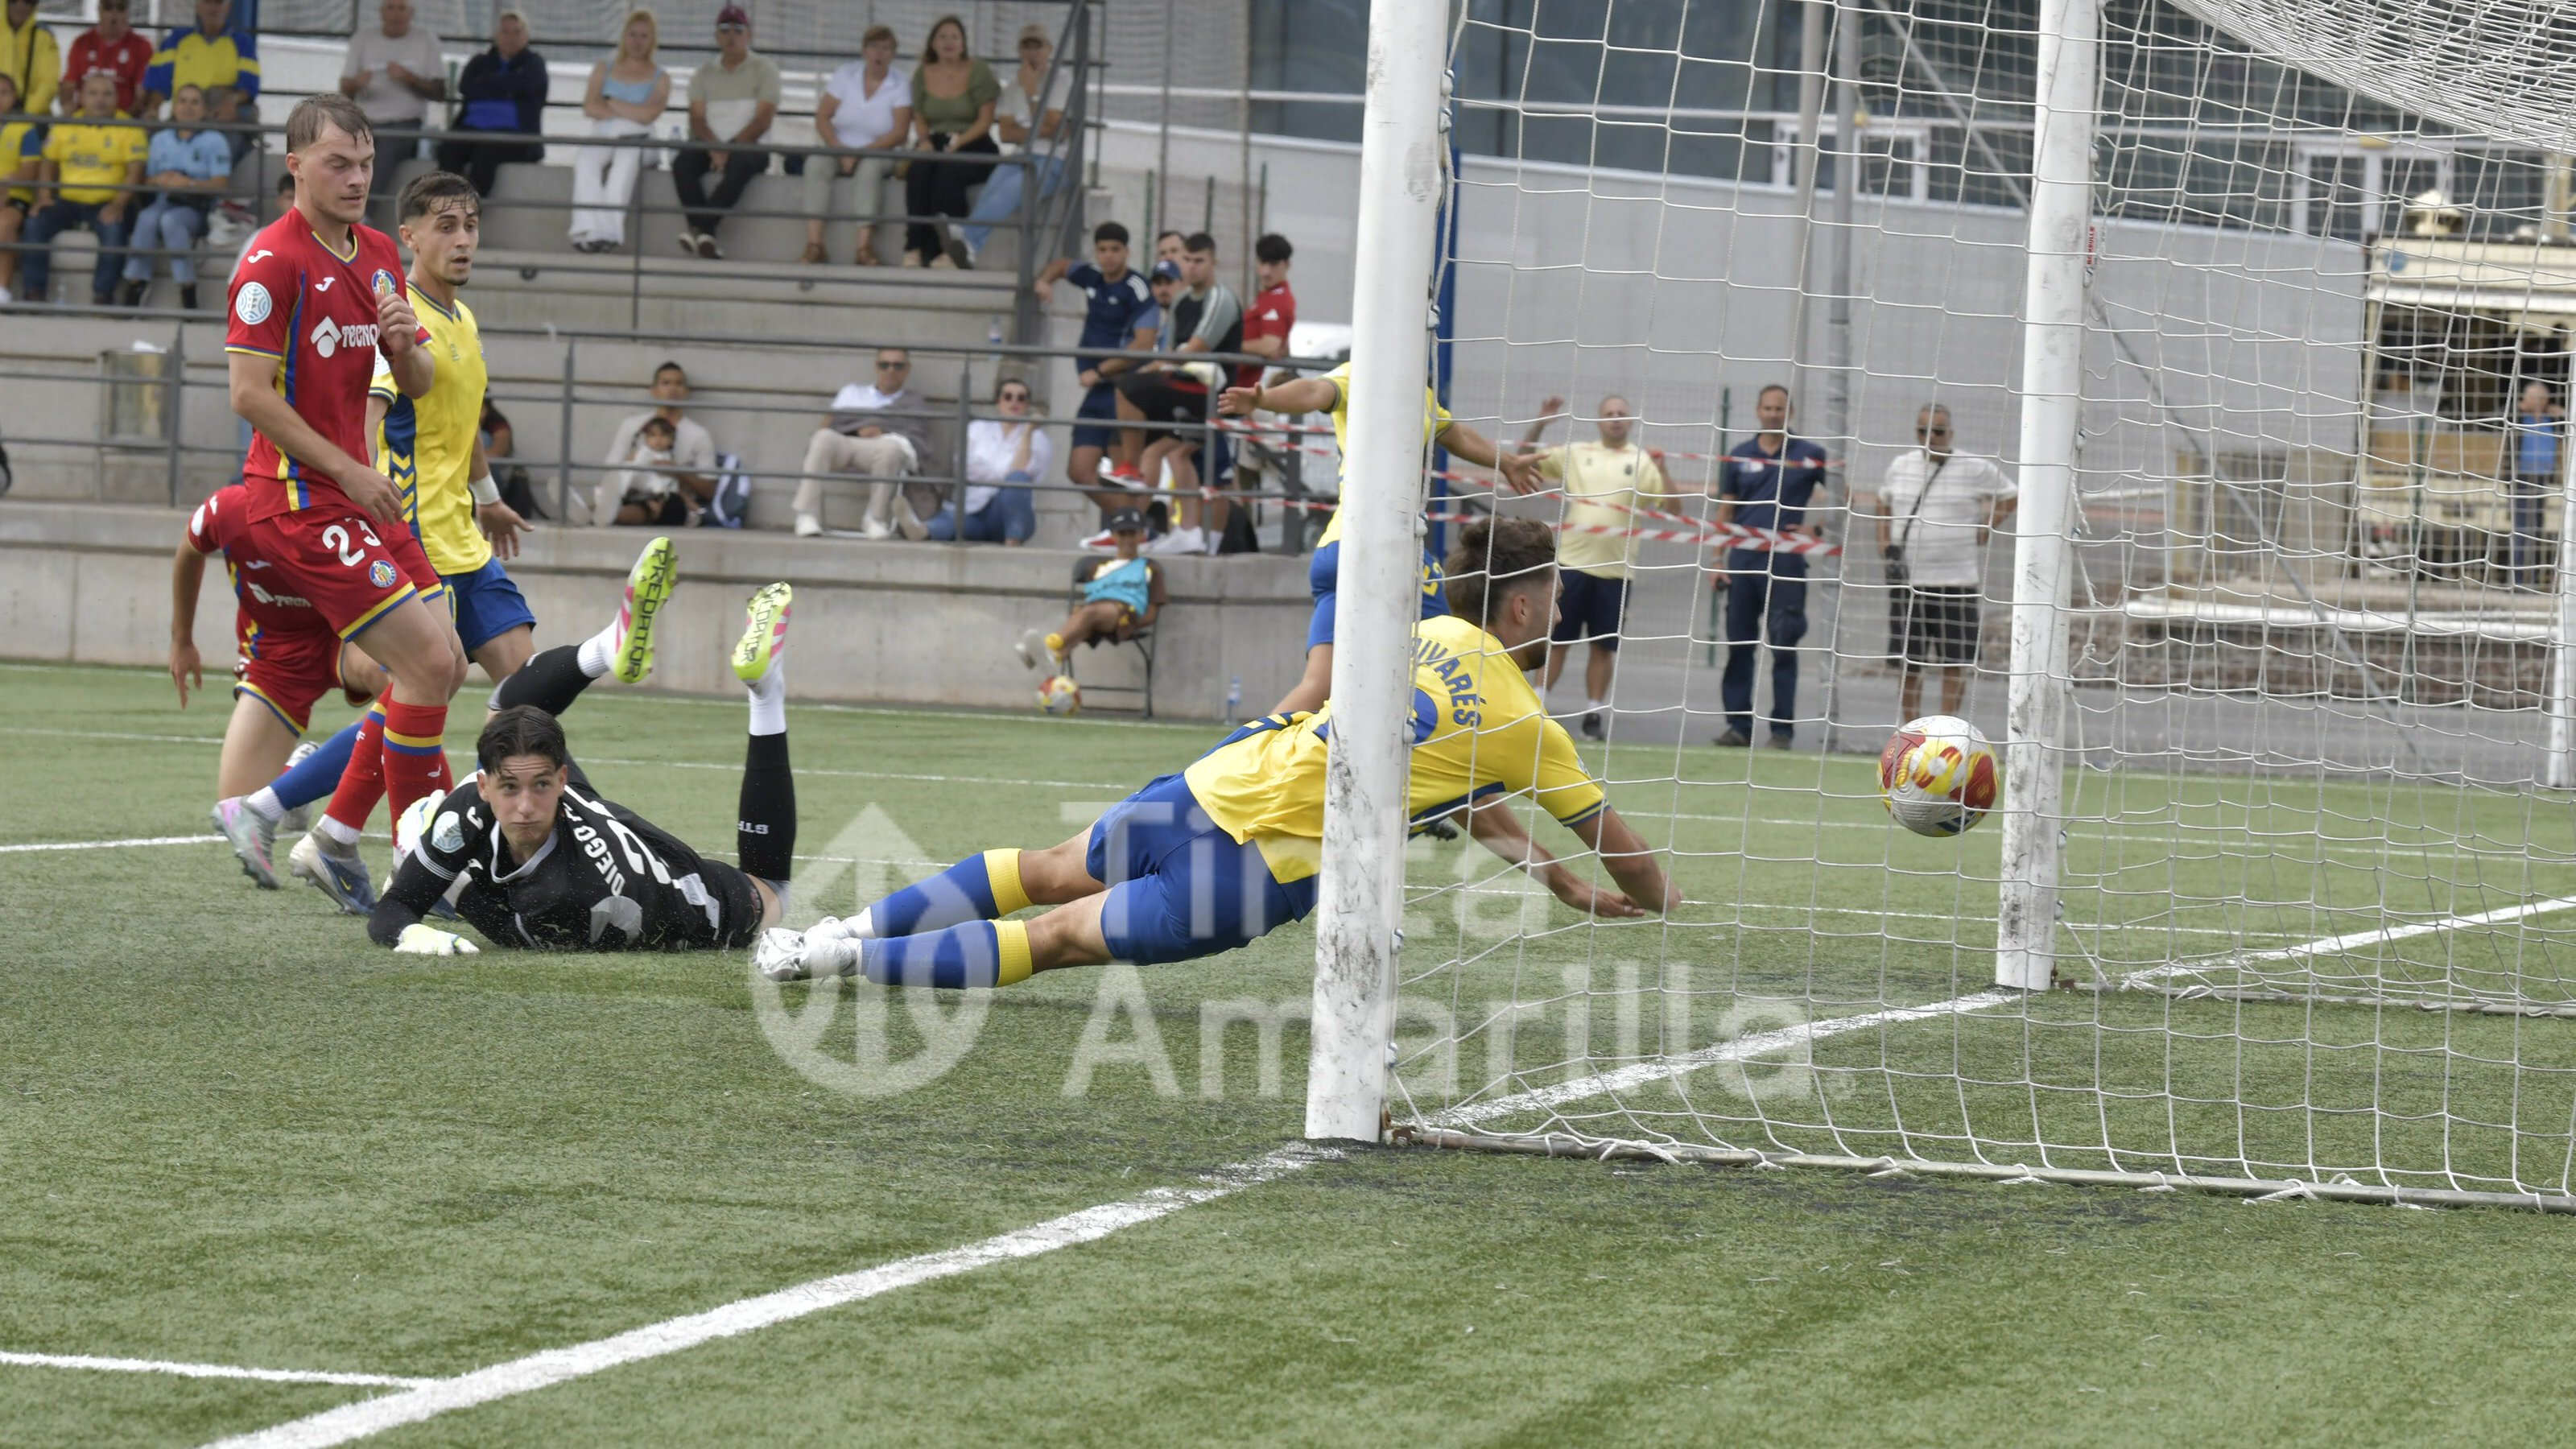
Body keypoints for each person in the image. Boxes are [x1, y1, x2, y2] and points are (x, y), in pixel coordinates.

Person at [760, 517, 1674, 986]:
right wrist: (1659, 899)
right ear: (1520, 605)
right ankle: (840, 965)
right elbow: (1624, 855)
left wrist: (1550, 880)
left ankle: (842, 933)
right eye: (1554, 589)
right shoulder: (1528, 728)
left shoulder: (1424, 632)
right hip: (1260, 866)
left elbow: (1451, 784)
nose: (1560, 605)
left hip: (1220, 780)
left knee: (1041, 871)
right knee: (1053, 941)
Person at [216, 94, 461, 903]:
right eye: (337, 164)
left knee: (445, 665)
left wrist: (401, 342)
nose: (357, 178)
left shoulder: (382, 252)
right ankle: (414, 877)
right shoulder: (270, 262)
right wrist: (350, 472)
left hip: (362, 497)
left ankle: (313, 828)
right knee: (425, 665)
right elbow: (249, 396)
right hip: (299, 502)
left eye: (365, 164)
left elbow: (418, 381)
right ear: (294, 166)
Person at [368, 581, 799, 956]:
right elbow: (393, 911)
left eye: (540, 785)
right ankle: (609, 647)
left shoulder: (564, 894)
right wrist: (410, 927)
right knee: (505, 714)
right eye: (509, 787)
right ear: (482, 785)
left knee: (770, 888)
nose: (525, 806)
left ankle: (765, 692)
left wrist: (443, 875)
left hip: (736, 909)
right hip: (615, 842)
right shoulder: (473, 809)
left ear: (560, 781)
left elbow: (507, 935)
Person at [1219, 364, 1539, 716]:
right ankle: (1501, 732)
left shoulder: (1422, 395)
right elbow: (1313, 391)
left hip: (1339, 547)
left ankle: (1233, 762)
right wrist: (1266, 398)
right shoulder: (1365, 370)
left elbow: (1456, 434)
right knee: (1467, 649)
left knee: (1320, 686)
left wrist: (1508, 461)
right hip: (1383, 551)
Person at [1518, 394, 1674, 743]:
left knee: (1604, 647)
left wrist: (1664, 470)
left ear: (1631, 420)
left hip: (1616, 571)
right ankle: (1536, 711)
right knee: (1555, 641)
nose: (1616, 418)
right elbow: (1523, 457)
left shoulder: (1643, 461)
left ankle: (1593, 714)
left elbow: (1673, 508)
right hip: (1572, 565)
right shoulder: (1578, 453)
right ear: (1599, 420)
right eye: (1609, 413)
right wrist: (1541, 422)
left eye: (1622, 413)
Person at [1862, 402, 2015, 720]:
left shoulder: (1973, 467)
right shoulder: (1901, 465)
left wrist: (1986, 526)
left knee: (1955, 661)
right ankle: (1912, 729)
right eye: (1923, 431)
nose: (1931, 437)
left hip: (1957, 582)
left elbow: (2011, 493)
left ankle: (1947, 728)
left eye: (1938, 431)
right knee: (1908, 661)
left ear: (1951, 433)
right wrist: (1884, 540)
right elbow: (1882, 500)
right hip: (1909, 582)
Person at [1713, 383, 1828, 747]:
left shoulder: (1810, 454)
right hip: (1743, 564)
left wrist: (1817, 526)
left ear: (1789, 412)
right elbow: (1726, 510)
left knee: (1783, 647)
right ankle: (1738, 726)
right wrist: (1717, 560)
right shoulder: (1739, 455)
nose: (1774, 414)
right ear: (1758, 411)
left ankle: (1782, 730)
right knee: (1740, 647)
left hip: (1786, 566)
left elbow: (1841, 498)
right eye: (1768, 408)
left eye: (1780, 409)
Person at [1119, 233, 1244, 555]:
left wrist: (1155, 369)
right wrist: (1153, 368)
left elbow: (1197, 349)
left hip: (1215, 395)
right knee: (1174, 453)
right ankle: (1187, 530)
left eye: (1198, 261)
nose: (1191, 267)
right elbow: (1173, 351)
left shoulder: (1221, 298)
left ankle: (1212, 543)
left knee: (1218, 475)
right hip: (1184, 388)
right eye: (1186, 260)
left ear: (1213, 262)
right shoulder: (1180, 301)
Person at [1034, 222, 1161, 516]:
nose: (1108, 256)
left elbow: (1144, 344)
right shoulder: (1092, 277)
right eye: (1102, 250)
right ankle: (1130, 524)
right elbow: (1062, 265)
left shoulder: (1138, 288)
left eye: (1115, 250)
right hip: (1096, 391)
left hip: (1123, 390)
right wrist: (1044, 281)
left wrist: (1101, 371)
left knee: (1124, 475)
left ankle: (1131, 529)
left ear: (1127, 252)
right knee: (1079, 470)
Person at [23, 72, 146, 306]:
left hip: (108, 201)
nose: (100, 100)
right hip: (68, 201)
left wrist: (118, 204)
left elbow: (135, 172)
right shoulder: (66, 124)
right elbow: (48, 162)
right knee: (35, 222)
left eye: (107, 94)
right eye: (93, 93)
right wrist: (45, 197)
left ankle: (103, 295)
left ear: (117, 98)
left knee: (114, 227)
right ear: (82, 97)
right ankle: (33, 294)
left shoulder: (130, 127)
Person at [952, 21, 1068, 269]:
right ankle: (970, 247)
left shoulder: (1061, 80)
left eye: (1037, 46)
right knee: (992, 189)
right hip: (1022, 155)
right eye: (1026, 46)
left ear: (1049, 49)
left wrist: (1031, 92)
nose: (1032, 53)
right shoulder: (1014, 85)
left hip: (1054, 160)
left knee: (1011, 191)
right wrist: (1041, 129)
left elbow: (1058, 131)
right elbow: (1006, 133)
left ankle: (968, 239)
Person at [793, 347, 933, 539]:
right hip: (846, 442)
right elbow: (829, 424)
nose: (890, 370)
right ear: (876, 367)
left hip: (880, 447)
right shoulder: (851, 393)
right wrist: (859, 429)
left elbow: (915, 435)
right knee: (822, 438)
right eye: (884, 365)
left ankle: (875, 518)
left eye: (897, 366)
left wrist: (882, 430)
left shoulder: (913, 402)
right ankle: (807, 515)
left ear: (907, 370)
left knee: (891, 449)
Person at [673, 5, 778, 261]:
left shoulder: (765, 69)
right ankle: (707, 236)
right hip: (710, 144)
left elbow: (763, 119)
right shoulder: (703, 73)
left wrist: (730, 148)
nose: (732, 35)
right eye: (725, 30)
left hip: (752, 147)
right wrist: (714, 148)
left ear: (749, 35)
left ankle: (700, 228)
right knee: (682, 163)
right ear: (716, 36)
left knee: (740, 164)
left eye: (738, 29)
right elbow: (697, 119)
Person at [799, 23, 906, 267]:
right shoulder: (845, 75)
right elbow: (822, 116)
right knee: (816, 164)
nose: (879, 53)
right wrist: (839, 148)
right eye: (873, 47)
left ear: (893, 53)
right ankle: (815, 245)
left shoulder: (900, 83)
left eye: (886, 48)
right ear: (863, 51)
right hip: (840, 146)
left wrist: (860, 154)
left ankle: (863, 247)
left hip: (880, 150)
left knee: (869, 171)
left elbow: (900, 132)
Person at [116, 83, 229, 308]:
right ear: (174, 107)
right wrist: (160, 180)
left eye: (195, 102)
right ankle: (137, 282)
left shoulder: (215, 140)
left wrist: (187, 182)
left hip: (196, 205)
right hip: (162, 200)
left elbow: (221, 183)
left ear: (205, 109)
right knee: (147, 218)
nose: (188, 107)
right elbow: (147, 180)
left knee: (170, 221)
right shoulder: (161, 139)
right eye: (183, 101)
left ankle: (187, 286)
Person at [1017, 506, 1163, 678]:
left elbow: (1153, 613)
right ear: (1114, 536)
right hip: (1095, 612)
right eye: (1123, 533)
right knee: (1084, 621)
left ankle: (1047, 645)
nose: (1128, 539)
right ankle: (1055, 657)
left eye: (1132, 533)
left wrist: (1131, 621)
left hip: (1124, 614)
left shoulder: (1150, 568)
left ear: (1141, 535)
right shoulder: (1097, 568)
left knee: (1089, 613)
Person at [567, 9, 668, 253]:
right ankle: (586, 230)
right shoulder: (605, 67)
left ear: (652, 40)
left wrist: (611, 100)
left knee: (625, 163)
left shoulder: (661, 77)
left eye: (644, 36)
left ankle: (609, 233)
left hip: (640, 139)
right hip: (605, 133)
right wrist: (631, 111)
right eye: (633, 34)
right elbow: (590, 106)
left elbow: (648, 116)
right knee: (585, 162)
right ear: (624, 36)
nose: (637, 41)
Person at [903, 14, 997, 269]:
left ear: (963, 43)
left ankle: (947, 250)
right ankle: (914, 246)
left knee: (948, 172)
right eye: (942, 37)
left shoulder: (979, 71)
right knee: (920, 170)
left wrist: (960, 141)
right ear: (933, 43)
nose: (948, 42)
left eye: (954, 37)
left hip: (974, 141)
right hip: (937, 139)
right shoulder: (923, 73)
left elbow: (985, 120)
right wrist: (924, 140)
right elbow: (920, 115)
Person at [434, 10, 545, 197]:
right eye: (505, 31)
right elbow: (467, 87)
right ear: (496, 36)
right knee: (448, 150)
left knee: (486, 155)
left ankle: (470, 209)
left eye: (516, 32)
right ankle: (446, 203)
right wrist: (509, 88)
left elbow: (528, 84)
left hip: (515, 135)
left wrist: (488, 82)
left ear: (526, 36)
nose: (510, 37)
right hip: (471, 128)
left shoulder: (534, 64)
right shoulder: (479, 61)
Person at [339, 0, 444, 192]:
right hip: (363, 121)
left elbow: (439, 92)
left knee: (382, 153)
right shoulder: (363, 38)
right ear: (381, 12)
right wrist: (356, 83)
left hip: (406, 122)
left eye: (402, 8)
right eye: (391, 8)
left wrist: (410, 79)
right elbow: (345, 90)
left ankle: (362, 214)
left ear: (411, 13)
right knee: (340, 153)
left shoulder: (426, 40)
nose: (396, 14)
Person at [931, 375, 1048, 544]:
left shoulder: (1037, 438)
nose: (1014, 402)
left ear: (1027, 405)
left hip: (1005, 516)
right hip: (972, 509)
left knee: (1017, 480)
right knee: (949, 523)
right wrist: (1005, 478)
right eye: (1008, 397)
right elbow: (966, 468)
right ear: (998, 402)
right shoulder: (977, 429)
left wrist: (1027, 433)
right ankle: (922, 529)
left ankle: (1012, 544)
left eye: (1021, 398)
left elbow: (1024, 476)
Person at [599, 361, 717, 524]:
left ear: (686, 392)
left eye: (679, 384)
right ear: (654, 391)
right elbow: (611, 468)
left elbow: (709, 490)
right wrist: (631, 463)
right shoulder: (632, 426)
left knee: (663, 506)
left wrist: (677, 471)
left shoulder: (699, 435)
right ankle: (598, 512)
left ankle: (607, 515)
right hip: (631, 491)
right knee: (622, 499)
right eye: (666, 383)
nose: (672, 389)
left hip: (670, 498)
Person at [142, 0, 258, 159]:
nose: (212, 8)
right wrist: (153, 109)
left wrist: (233, 99)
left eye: (218, 3)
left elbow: (249, 85)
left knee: (224, 148)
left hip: (219, 118)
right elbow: (158, 81)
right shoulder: (177, 39)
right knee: (149, 141)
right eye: (207, 2)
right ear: (198, 5)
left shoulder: (242, 43)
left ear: (228, 6)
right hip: (182, 116)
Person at [2509, 379, 2563, 592]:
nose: (2539, 402)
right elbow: (2496, 420)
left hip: (2542, 478)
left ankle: (2529, 577)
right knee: (2522, 527)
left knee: (2536, 527)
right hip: (2521, 476)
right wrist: (2519, 407)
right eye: (2535, 398)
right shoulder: (2518, 416)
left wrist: (2562, 413)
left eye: (2543, 398)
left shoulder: (2552, 420)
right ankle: (2519, 579)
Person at [64, 0, 153, 120]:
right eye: (108, 6)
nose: (114, 13)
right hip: (84, 120)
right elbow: (69, 86)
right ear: (99, 10)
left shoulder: (142, 46)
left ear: (128, 12)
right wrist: (69, 110)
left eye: (120, 8)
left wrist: (124, 121)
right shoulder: (81, 43)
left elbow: (142, 95)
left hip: (125, 121)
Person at [0, 72, 46, 303]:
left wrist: (5, 182)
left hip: (14, 195)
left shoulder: (24, 128)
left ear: (14, 97)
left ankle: (2, 288)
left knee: (5, 223)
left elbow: (31, 170)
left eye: (4, 93)